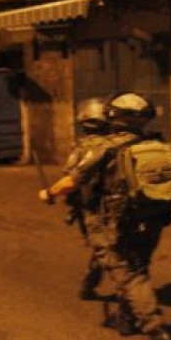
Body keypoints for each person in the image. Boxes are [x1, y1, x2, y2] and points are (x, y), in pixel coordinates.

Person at [39, 93, 171, 340]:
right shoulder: (158, 145)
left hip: (119, 221)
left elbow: (73, 180)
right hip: (153, 219)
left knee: (129, 274)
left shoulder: (106, 148)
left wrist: (49, 193)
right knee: (138, 266)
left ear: (115, 117)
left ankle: (158, 334)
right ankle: (126, 317)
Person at [66, 97, 113, 301]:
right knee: (107, 250)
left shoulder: (81, 148)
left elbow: (71, 179)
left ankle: (90, 284)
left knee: (101, 248)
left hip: (91, 207)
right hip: (114, 207)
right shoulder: (118, 144)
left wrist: (54, 195)